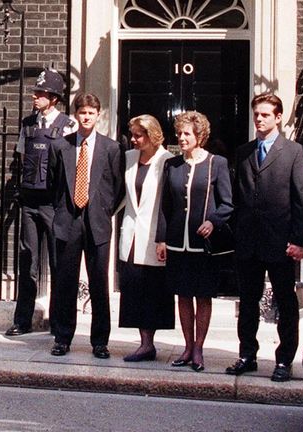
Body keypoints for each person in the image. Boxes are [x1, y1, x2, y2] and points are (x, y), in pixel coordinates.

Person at [226, 93, 303, 383]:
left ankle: (284, 359)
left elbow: (301, 197)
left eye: (265, 115)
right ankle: (247, 354)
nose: (259, 119)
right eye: (256, 114)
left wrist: (298, 239)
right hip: (248, 241)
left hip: (280, 241)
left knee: (285, 302)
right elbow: (237, 196)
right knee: (248, 301)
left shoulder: (293, 151)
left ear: (278, 117)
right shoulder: (244, 152)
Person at [156, 111, 233, 372]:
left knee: (202, 295)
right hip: (178, 241)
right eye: (179, 133)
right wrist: (161, 239)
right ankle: (187, 346)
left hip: (203, 243)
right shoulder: (172, 165)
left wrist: (213, 221)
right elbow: (164, 206)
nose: (181, 137)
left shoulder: (217, 163)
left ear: (199, 135)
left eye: (187, 133)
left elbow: (227, 204)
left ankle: (199, 347)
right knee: (183, 295)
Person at [47, 93, 124, 358]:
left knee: (99, 283)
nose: (87, 117)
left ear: (98, 115)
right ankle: (62, 337)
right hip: (68, 221)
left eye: (91, 112)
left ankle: (100, 341)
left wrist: (103, 210)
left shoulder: (112, 148)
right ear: (75, 115)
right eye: (82, 113)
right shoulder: (61, 146)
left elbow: (117, 188)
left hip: (97, 223)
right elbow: (53, 185)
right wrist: (62, 210)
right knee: (65, 282)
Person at [6, 69, 75, 336]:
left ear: (54, 98)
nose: (35, 96)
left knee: (58, 264)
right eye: (36, 92)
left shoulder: (68, 125)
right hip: (30, 201)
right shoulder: (27, 123)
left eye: (41, 93)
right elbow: (23, 157)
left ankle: (58, 324)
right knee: (28, 261)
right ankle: (22, 320)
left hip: (54, 204)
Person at [118, 115, 174, 362]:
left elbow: (168, 202)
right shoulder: (129, 158)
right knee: (133, 287)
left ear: (152, 136)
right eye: (133, 134)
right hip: (131, 232)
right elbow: (120, 193)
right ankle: (144, 343)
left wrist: (164, 237)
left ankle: (149, 343)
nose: (133, 139)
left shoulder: (168, 161)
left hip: (154, 234)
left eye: (138, 135)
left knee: (152, 288)